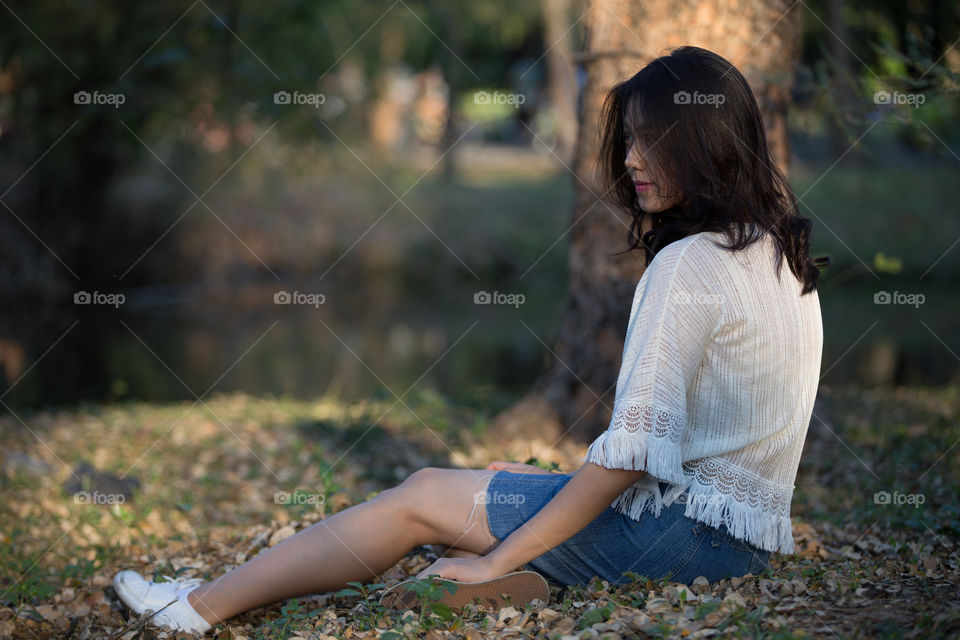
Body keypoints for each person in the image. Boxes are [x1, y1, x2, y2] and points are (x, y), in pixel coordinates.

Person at [113, 45, 828, 634]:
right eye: (631, 138)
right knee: (481, 487)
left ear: (703, 143)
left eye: (652, 140)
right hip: (742, 543)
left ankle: (197, 609)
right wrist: (520, 494)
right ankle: (524, 583)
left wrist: (496, 555)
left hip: (678, 535)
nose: (633, 159)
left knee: (422, 496)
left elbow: (632, 456)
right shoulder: (777, 251)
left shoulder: (688, 263)